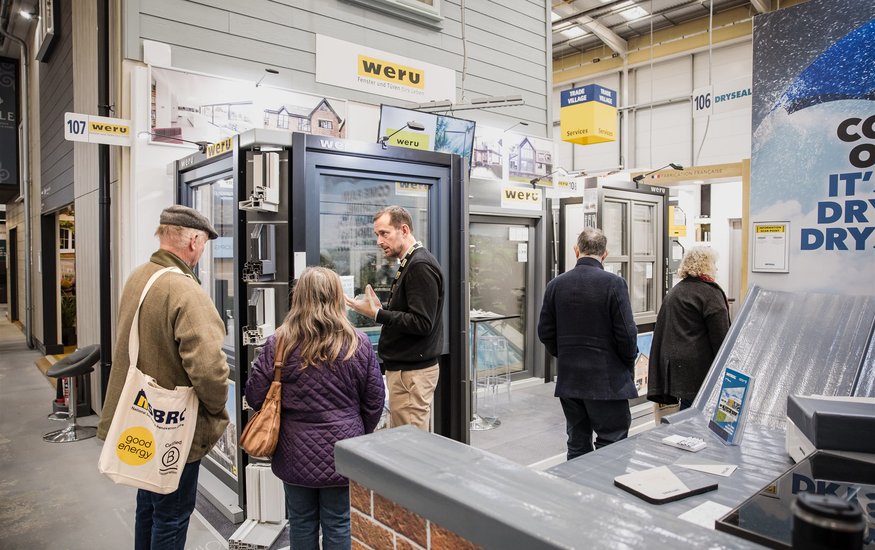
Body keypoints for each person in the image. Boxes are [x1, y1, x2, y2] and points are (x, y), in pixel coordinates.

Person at [97, 205, 230, 550]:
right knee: (172, 513)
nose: (202, 252)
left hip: (141, 417)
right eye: (202, 245)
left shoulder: (139, 276)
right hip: (174, 425)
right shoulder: (186, 291)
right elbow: (209, 370)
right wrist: (217, 410)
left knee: (148, 504)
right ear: (193, 241)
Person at [245, 267, 384, 550]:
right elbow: (374, 401)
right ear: (336, 298)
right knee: (340, 522)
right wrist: (356, 431)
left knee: (301, 521)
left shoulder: (279, 342)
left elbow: (255, 395)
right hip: (344, 449)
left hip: (294, 450)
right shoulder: (358, 343)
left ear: (299, 297)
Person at [537, 227, 638, 461]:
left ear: (576, 250)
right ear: (605, 254)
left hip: (570, 381)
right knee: (611, 444)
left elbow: (545, 332)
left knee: (577, 444)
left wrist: (565, 356)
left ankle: (575, 494)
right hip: (608, 382)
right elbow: (627, 334)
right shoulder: (614, 284)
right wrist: (625, 362)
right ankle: (602, 493)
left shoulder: (556, 285)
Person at [345, 205, 444, 431]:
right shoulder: (411, 262)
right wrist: (383, 309)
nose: (379, 241)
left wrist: (379, 314)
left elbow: (422, 323)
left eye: (384, 233)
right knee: (405, 442)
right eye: (377, 234)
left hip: (412, 374)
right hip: (407, 371)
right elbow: (412, 312)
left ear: (404, 230)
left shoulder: (420, 265)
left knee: (411, 449)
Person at [647, 246, 730, 422]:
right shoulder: (710, 294)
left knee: (682, 418)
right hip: (698, 370)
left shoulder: (676, 291)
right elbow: (722, 339)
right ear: (706, 265)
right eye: (714, 264)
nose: (716, 268)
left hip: (674, 369)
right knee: (696, 419)